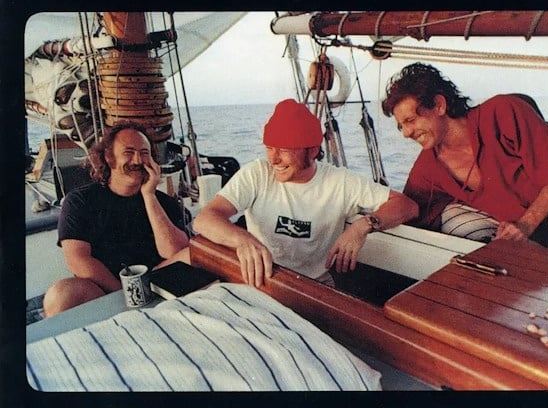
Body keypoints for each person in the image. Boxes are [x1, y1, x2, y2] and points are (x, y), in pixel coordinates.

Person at [193, 99, 418, 287]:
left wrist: (363, 226)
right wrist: (243, 240)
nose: (274, 159)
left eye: (284, 150)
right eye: (269, 148)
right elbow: (205, 219)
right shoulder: (257, 173)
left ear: (312, 151)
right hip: (262, 279)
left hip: (314, 286)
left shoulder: (340, 181)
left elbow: (406, 205)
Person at [381, 63, 548, 252]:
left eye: (411, 120)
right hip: (542, 243)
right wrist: (369, 222)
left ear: (439, 105)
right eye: (401, 126)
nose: (406, 133)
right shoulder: (427, 168)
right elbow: (408, 208)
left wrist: (526, 224)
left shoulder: (501, 112)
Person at [43, 121, 189, 316]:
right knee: (61, 295)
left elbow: (177, 252)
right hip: (106, 290)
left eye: (144, 153)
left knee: (193, 254)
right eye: (129, 152)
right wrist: (125, 294)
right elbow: (77, 259)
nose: (138, 160)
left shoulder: (164, 202)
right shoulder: (80, 201)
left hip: (156, 286)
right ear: (109, 158)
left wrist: (149, 196)